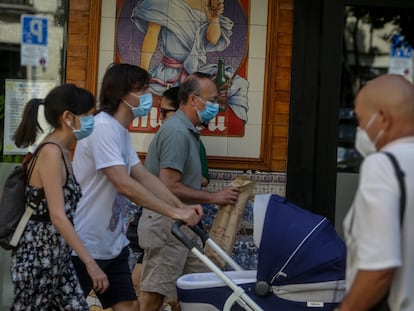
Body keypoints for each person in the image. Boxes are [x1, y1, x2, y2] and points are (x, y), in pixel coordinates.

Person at [71, 63, 203, 311]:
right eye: (142, 90)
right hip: (85, 244)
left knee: (130, 307)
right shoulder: (102, 128)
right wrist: (174, 212)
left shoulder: (120, 131)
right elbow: (124, 184)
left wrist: (181, 206)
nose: (148, 97)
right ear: (123, 94)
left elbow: (143, 176)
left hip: (111, 244)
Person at [138, 72, 240, 311]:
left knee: (204, 289)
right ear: (194, 100)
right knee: (154, 296)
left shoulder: (188, 131)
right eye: (213, 100)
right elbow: (169, 184)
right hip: (167, 226)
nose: (217, 105)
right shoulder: (177, 133)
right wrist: (213, 197)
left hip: (182, 226)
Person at [10, 84, 108, 310]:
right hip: (39, 258)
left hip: (57, 257)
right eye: (88, 115)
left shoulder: (62, 150)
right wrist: (90, 263)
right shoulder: (51, 152)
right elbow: (57, 216)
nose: (92, 121)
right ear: (68, 117)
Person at [339, 74, 414, 311]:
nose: (360, 130)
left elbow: (379, 269)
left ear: (383, 118)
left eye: (361, 120)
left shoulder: (383, 165)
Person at [131, 0, 250, 122]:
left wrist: (214, 18)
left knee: (235, 84)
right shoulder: (161, 2)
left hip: (196, 71)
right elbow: (151, 35)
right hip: (168, 72)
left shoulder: (207, 2)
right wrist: (143, 71)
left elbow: (213, 39)